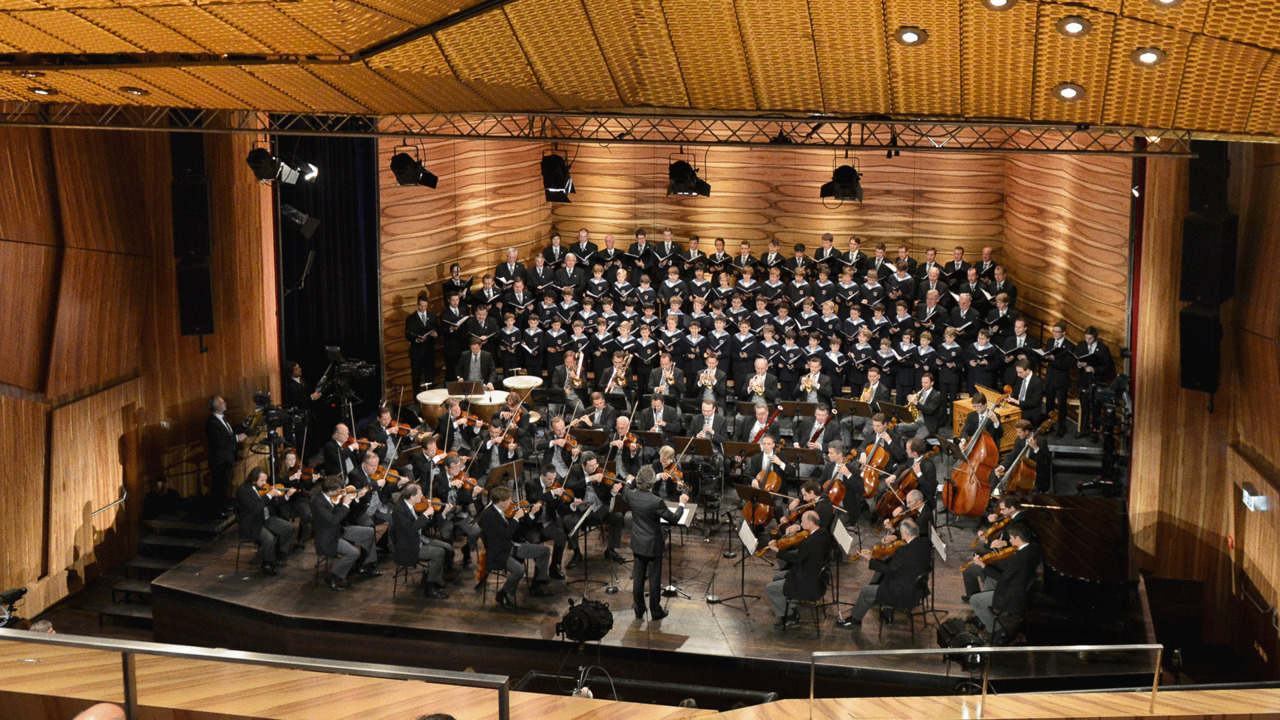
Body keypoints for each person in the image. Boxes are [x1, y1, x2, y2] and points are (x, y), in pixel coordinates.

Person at [612, 466, 689, 620]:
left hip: (638, 542)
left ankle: (639, 609)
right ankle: (656, 611)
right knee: (654, 579)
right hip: (653, 545)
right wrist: (682, 504)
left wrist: (629, 481)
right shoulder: (656, 501)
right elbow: (674, 519)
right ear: (652, 483)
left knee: (638, 578)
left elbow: (625, 491)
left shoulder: (631, 496)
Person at [844, 519, 931, 628]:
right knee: (886, 575)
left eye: (901, 532)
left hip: (903, 593)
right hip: (918, 589)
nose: (900, 534)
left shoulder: (903, 551)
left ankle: (855, 620)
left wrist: (871, 560)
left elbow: (889, 570)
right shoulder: (926, 543)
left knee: (866, 592)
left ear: (906, 533)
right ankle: (888, 613)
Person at [479, 486, 554, 609]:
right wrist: (515, 519)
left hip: (511, 546)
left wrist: (530, 514)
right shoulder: (489, 516)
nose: (511, 502)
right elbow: (505, 535)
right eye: (509, 500)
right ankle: (503, 594)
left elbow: (518, 530)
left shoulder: (502, 511)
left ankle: (537, 585)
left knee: (544, 551)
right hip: (499, 552)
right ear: (500, 501)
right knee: (519, 569)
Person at [968, 523, 1041, 641]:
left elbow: (1002, 578)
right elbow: (1007, 569)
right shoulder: (1033, 548)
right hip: (1020, 586)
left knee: (974, 600)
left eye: (1011, 538)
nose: (1010, 541)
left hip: (1011, 595)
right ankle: (984, 616)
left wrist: (982, 565)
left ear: (1018, 538)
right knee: (990, 579)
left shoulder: (1018, 558)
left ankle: (998, 631)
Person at [763, 510, 831, 628]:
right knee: (776, 577)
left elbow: (796, 559)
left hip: (807, 581)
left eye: (803, 521)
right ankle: (789, 607)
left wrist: (778, 551)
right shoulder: (824, 533)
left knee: (770, 588)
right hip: (816, 576)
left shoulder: (810, 542)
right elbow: (804, 553)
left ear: (811, 522)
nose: (801, 524)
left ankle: (791, 617)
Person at [311, 476, 379, 591]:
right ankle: (333, 576)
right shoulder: (318, 503)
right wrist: (345, 505)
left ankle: (364, 565)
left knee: (369, 532)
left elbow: (344, 514)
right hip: (327, 538)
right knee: (353, 552)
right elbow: (334, 520)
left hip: (339, 530)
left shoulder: (333, 497)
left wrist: (356, 499)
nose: (340, 492)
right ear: (330, 491)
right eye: (338, 490)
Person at [390, 483, 452, 599]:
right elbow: (410, 530)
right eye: (420, 494)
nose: (423, 496)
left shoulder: (415, 505)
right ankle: (430, 588)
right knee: (439, 553)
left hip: (421, 538)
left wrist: (443, 513)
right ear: (412, 497)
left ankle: (432, 578)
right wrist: (424, 515)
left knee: (447, 547)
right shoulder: (399, 511)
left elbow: (427, 524)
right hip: (408, 547)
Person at [236, 467, 297, 576]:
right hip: (252, 523)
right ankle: (268, 563)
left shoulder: (263, 488)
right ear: (253, 479)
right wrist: (269, 495)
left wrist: (286, 496)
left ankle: (281, 555)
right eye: (262, 480)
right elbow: (255, 508)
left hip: (266, 519)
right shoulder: (243, 490)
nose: (265, 483)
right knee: (269, 537)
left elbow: (274, 503)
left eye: (265, 480)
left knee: (289, 528)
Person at [205, 395, 247, 515]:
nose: (226, 404)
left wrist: (243, 425)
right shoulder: (212, 423)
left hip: (226, 458)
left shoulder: (221, 419)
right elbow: (219, 441)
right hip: (220, 460)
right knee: (219, 485)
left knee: (225, 484)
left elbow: (229, 431)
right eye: (223, 402)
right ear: (216, 407)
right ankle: (218, 510)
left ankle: (223, 506)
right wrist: (237, 438)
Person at [1074, 326, 1114, 439]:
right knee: (1085, 407)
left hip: (1097, 382)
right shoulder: (1081, 345)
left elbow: (1108, 366)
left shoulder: (1103, 349)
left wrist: (1094, 369)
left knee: (1096, 409)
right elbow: (1075, 360)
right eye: (1086, 338)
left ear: (1095, 338)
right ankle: (1084, 430)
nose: (1088, 340)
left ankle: (1095, 432)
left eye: (1090, 338)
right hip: (1084, 381)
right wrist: (1079, 364)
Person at [1042, 321, 1073, 438]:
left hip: (1061, 379)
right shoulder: (1050, 341)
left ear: (1064, 333)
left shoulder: (1069, 345)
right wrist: (1045, 357)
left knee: (1061, 406)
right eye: (1054, 331)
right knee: (1049, 404)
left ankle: (1061, 428)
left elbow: (1067, 363)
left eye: (1058, 332)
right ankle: (1048, 426)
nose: (1055, 334)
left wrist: (1054, 359)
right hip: (1050, 378)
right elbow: (1046, 358)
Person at [406, 290, 439, 393]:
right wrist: (417, 339)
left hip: (429, 352)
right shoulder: (411, 318)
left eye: (425, 306)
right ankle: (416, 399)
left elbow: (438, 331)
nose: (422, 308)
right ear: (417, 304)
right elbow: (408, 335)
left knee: (430, 377)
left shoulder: (432, 316)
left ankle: (430, 398)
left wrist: (435, 334)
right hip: (417, 353)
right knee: (416, 377)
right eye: (420, 306)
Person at [1006, 360, 1045, 425]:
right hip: (1019, 406)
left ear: (1027, 370)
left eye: (1020, 372)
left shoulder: (1037, 383)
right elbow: (1016, 392)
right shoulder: (1020, 377)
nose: (1018, 375)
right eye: (1017, 372)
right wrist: (1010, 397)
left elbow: (1033, 402)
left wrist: (1017, 402)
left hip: (1030, 411)